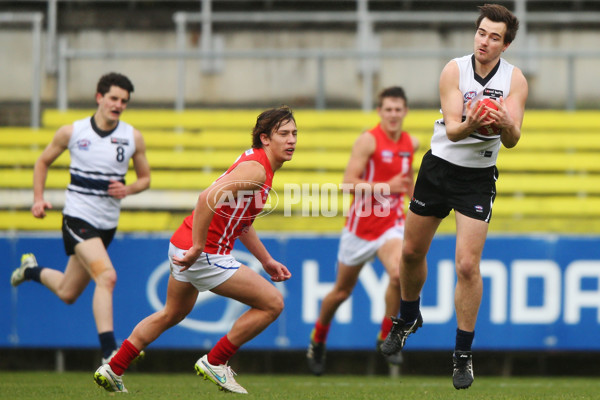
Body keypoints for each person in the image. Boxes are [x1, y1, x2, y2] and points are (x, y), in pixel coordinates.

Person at [93, 106, 296, 394]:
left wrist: (266, 260)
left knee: (171, 314)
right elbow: (206, 199)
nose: (291, 140)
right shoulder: (257, 170)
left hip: (184, 243)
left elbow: (241, 222)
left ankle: (114, 368)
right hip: (204, 252)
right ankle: (216, 361)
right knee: (273, 303)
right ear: (265, 138)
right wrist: (199, 247)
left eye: (294, 134)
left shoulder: (259, 166)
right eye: (283, 134)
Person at [380, 4, 528, 390]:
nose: (485, 41)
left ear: (506, 44)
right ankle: (408, 316)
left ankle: (462, 354)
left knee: (466, 265)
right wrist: (474, 120)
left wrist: (505, 121)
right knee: (410, 254)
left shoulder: (515, 81)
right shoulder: (454, 70)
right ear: (475, 34)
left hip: (477, 179)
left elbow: (512, 140)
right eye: (482, 33)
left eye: (495, 37)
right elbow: (452, 131)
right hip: (438, 169)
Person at [10, 72, 151, 363]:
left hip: (107, 224)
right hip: (77, 218)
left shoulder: (132, 136)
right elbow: (42, 162)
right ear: (99, 97)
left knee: (67, 292)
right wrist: (38, 199)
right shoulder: (72, 132)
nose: (118, 104)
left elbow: (145, 179)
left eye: (124, 101)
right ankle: (110, 352)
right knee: (107, 277)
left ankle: (30, 270)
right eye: (113, 98)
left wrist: (128, 188)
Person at [306, 87, 419, 375]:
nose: (393, 114)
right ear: (380, 112)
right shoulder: (368, 141)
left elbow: (407, 183)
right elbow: (347, 183)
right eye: (388, 109)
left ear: (405, 111)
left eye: (398, 109)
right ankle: (318, 338)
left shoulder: (411, 143)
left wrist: (420, 205)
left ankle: (386, 334)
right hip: (361, 228)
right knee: (341, 292)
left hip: (391, 224)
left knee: (398, 274)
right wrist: (386, 187)